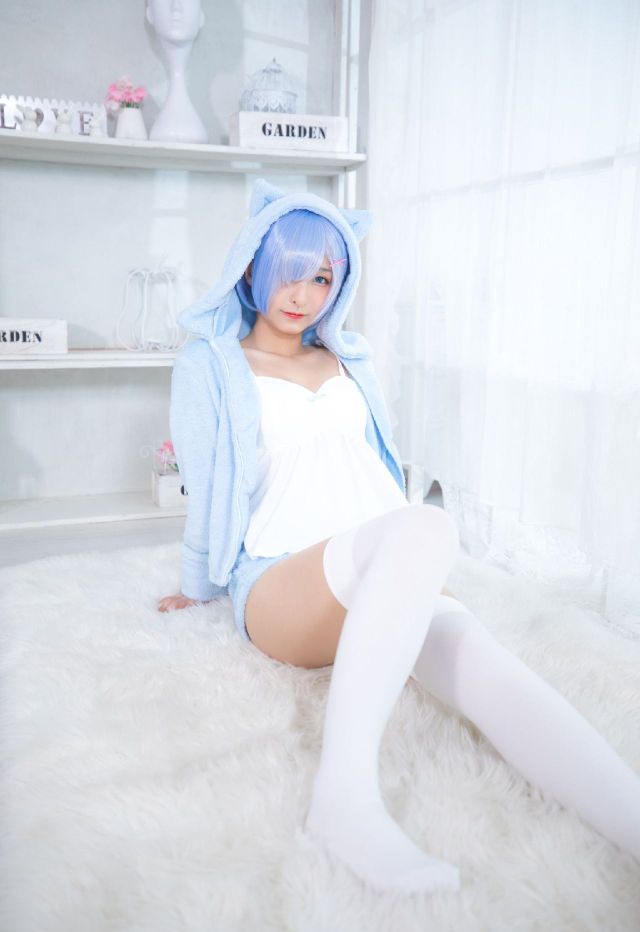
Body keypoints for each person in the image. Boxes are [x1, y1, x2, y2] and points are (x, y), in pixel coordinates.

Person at [159, 178, 640, 895]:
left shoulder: (350, 358)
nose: (302, 294)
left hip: (385, 567)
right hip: (284, 582)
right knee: (428, 524)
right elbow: (204, 486)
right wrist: (195, 583)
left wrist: (410, 567)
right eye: (289, 271)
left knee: (487, 663)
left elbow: (377, 467)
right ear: (253, 265)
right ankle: (343, 802)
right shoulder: (209, 364)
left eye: (322, 278)